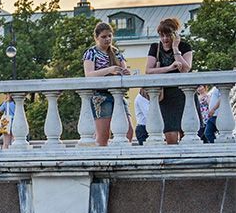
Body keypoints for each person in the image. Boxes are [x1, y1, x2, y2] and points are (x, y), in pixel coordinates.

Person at [83, 22, 133, 146]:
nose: (107, 39)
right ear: (96, 37)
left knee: (128, 131)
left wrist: (126, 72)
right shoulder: (91, 53)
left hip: (118, 94)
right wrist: (109, 70)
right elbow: (89, 74)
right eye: (104, 37)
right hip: (101, 96)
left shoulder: (115, 52)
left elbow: (124, 68)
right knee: (103, 135)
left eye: (110, 36)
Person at [144, 17, 193, 145]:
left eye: (168, 35)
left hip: (183, 94)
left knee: (187, 132)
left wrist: (176, 49)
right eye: (162, 35)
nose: (165, 39)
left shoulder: (184, 46)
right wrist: (169, 68)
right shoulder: (155, 47)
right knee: (170, 134)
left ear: (175, 34)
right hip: (165, 95)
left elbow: (186, 69)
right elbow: (148, 70)